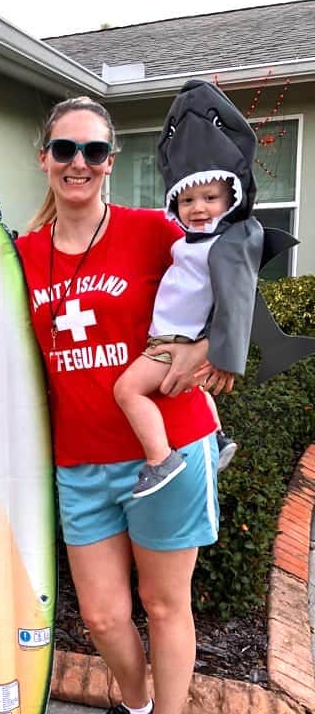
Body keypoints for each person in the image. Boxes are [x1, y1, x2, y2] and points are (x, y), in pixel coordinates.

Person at [16, 96, 221, 714]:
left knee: (164, 605)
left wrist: (208, 347)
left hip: (166, 447)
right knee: (102, 616)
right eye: (65, 150)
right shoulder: (21, 256)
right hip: (79, 459)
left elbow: (232, 277)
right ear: (43, 156)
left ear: (112, 162)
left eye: (94, 152)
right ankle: (135, 707)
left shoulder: (154, 230)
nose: (79, 164)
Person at [113, 177, 239, 497]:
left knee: (127, 390)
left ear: (230, 203)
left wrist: (218, 347)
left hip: (179, 340)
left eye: (209, 198)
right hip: (172, 335)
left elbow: (237, 299)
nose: (198, 208)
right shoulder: (189, 240)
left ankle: (161, 458)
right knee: (192, 388)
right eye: (187, 201)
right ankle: (219, 436)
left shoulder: (224, 247)